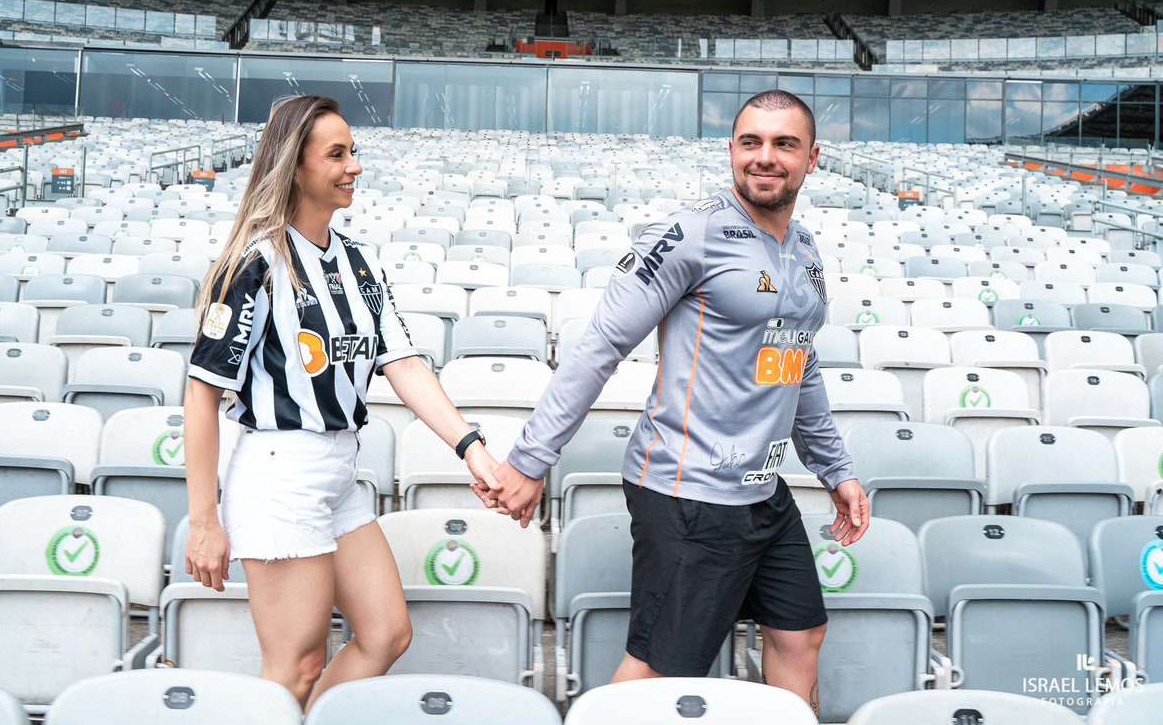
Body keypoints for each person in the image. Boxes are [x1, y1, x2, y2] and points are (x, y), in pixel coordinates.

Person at [486, 90, 869, 715]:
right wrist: (531, 460)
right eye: (751, 142)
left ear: (812, 158)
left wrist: (836, 469)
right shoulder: (690, 231)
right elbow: (600, 345)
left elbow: (799, 361)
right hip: (690, 489)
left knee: (801, 635)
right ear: (731, 150)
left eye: (784, 144)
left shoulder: (804, 248)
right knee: (662, 669)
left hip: (763, 491)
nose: (765, 157)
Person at [183, 95, 501, 710]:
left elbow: (403, 363)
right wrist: (203, 521)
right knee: (295, 666)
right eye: (336, 154)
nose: (354, 165)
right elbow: (201, 394)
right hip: (280, 474)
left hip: (339, 473)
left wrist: (472, 448)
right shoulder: (256, 263)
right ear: (293, 165)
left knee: (386, 635)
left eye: (353, 151)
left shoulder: (359, 260)